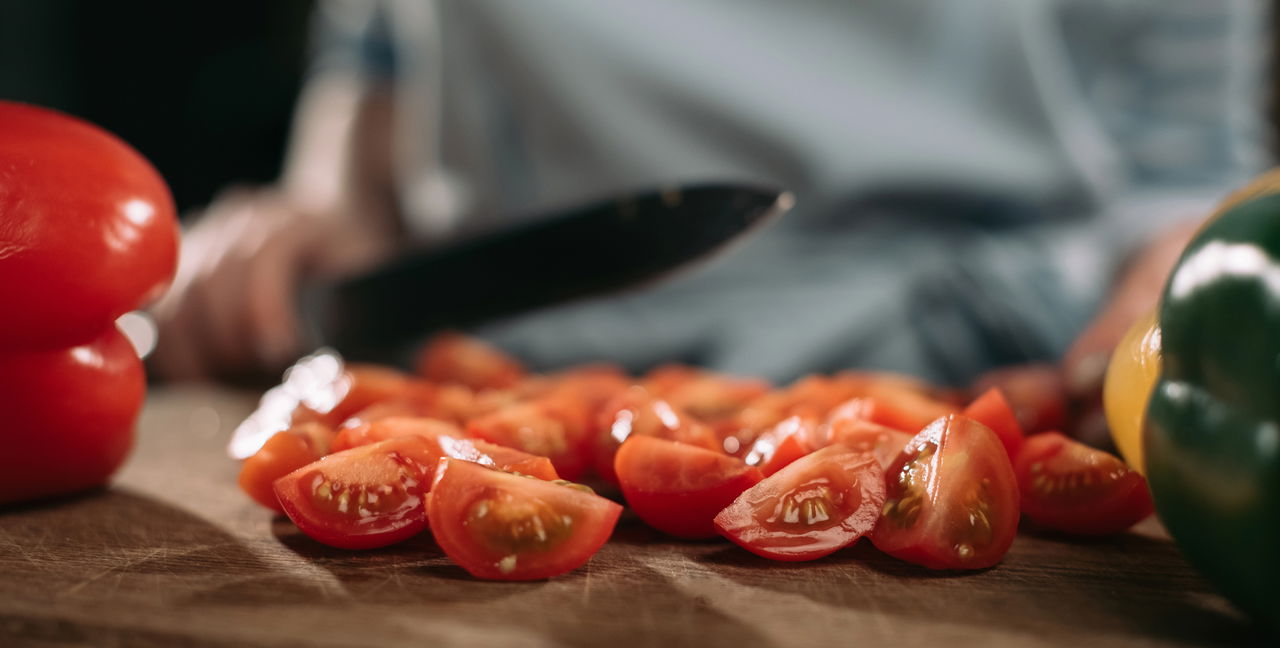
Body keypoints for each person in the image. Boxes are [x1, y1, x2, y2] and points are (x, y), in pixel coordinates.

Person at [151, 0, 1269, 433]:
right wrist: (329, 206)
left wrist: (1190, 287)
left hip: (987, 383)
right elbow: (385, 44)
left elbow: (1179, 158)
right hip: (476, 363)